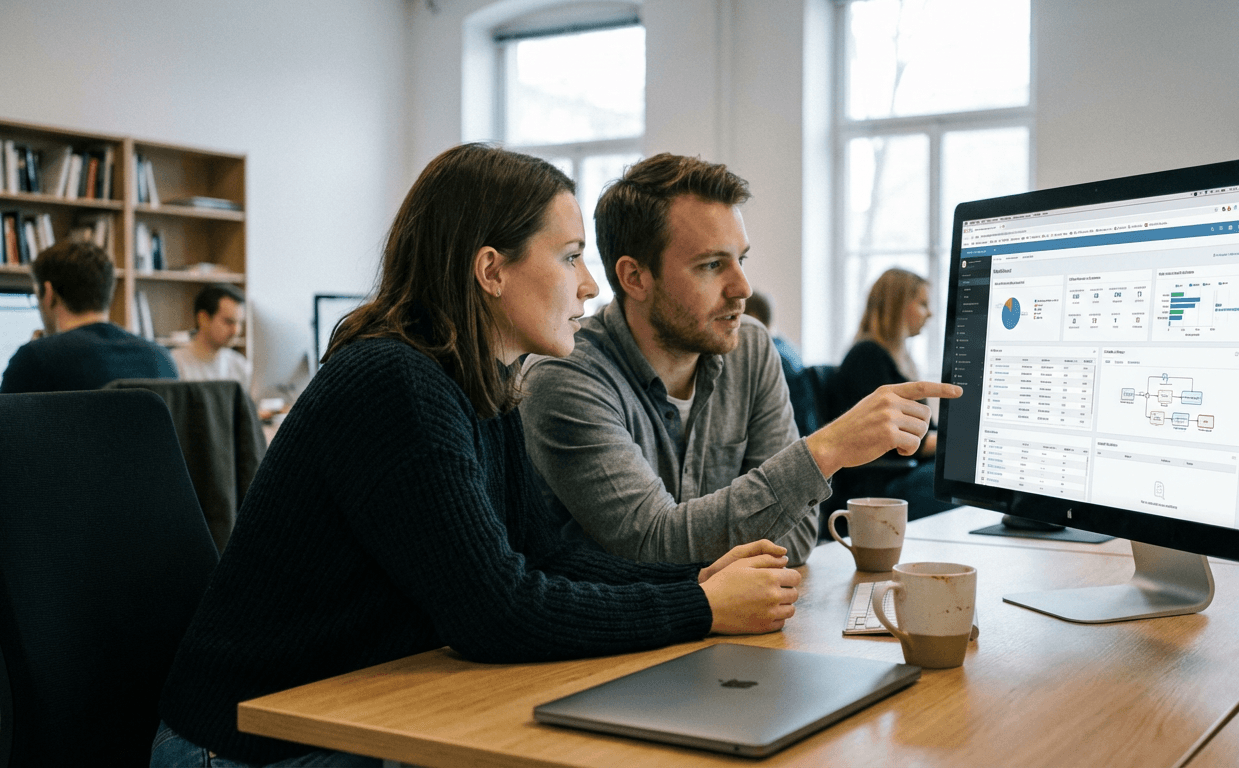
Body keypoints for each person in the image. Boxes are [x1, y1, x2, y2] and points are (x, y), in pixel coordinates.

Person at [153, 145, 801, 768]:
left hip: (359, 717)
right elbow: (495, 612)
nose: (589, 285)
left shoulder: (484, 386)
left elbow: (548, 555)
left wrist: (701, 579)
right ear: (490, 270)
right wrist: (702, 607)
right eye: (571, 256)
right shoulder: (395, 382)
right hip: (252, 747)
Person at [520, 153, 961, 567]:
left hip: (739, 623)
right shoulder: (566, 374)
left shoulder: (749, 347)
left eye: (741, 259)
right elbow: (650, 544)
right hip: (618, 645)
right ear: (634, 277)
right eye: (712, 265)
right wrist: (825, 450)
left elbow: (797, 537)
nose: (743, 288)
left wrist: (707, 539)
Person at [831, 268, 958, 520]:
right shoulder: (866, 357)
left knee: (959, 473)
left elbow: (927, 432)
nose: (930, 313)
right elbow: (901, 441)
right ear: (898, 305)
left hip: (906, 473)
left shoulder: (903, 361)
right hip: (882, 483)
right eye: (922, 304)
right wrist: (958, 442)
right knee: (958, 476)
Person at [0, 240, 175, 393]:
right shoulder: (162, 359)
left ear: (48, 293)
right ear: (108, 292)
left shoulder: (34, 360)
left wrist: (37, 350)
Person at [743, 291, 817, 436]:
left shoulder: (766, 356)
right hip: (806, 432)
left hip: (789, 436)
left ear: (752, 318)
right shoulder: (788, 349)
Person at [171, 283, 252, 393]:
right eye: (228, 322)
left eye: (239, 323)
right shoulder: (175, 363)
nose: (236, 331)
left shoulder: (240, 366)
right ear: (203, 319)